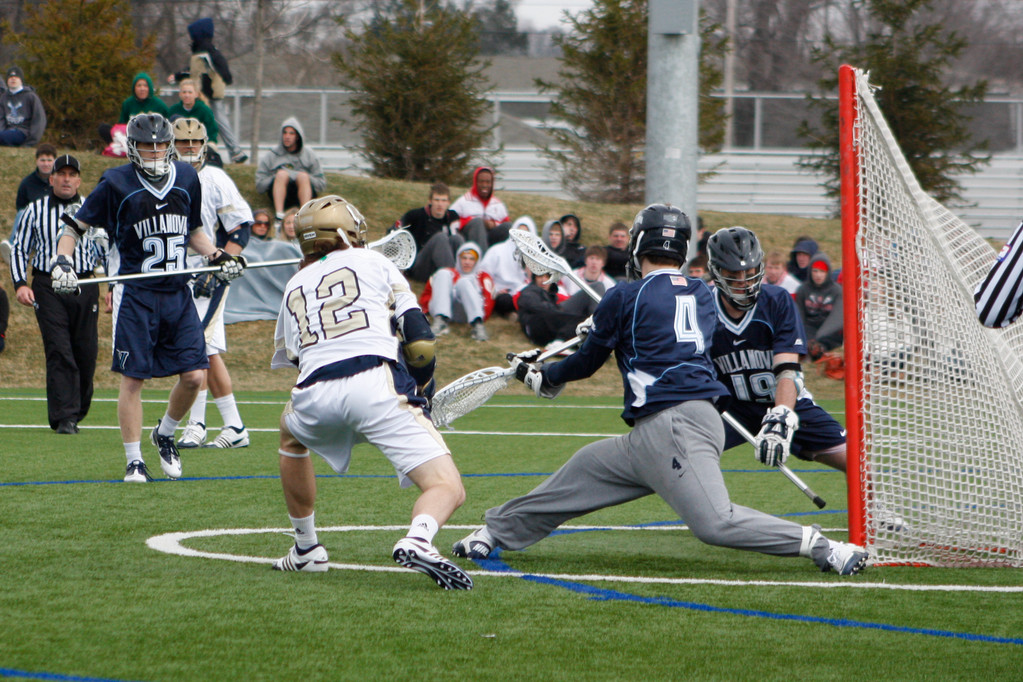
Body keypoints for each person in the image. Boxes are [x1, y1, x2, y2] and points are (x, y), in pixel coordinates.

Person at [452, 204, 869, 577]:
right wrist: (598, 329)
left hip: (674, 423)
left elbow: (587, 363)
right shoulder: (702, 295)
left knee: (715, 522)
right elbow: (664, 331)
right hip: (666, 427)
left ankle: (824, 548)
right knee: (584, 470)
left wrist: (546, 376)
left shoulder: (624, 296)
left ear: (638, 245)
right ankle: (493, 531)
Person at [269, 195, 472, 590]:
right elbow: (420, 341)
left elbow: (299, 358)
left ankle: (306, 548)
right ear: (348, 231)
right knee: (446, 486)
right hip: (374, 385)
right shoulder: (378, 263)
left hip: (312, 393)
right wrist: (421, 387)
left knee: (290, 436)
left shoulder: (293, 283)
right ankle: (419, 538)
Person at [51, 113, 246, 483]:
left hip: (177, 290)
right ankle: (134, 460)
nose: (155, 152)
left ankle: (165, 434)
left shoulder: (187, 177)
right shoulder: (115, 182)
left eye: (160, 145)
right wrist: (62, 260)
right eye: (146, 145)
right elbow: (75, 226)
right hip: (137, 293)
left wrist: (217, 256)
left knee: (193, 375)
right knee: (133, 379)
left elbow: (194, 231)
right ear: (133, 148)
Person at [705, 226, 848, 479]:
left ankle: (882, 513)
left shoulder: (776, 300)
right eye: (734, 275)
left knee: (856, 460)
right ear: (717, 273)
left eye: (749, 274)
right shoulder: (702, 305)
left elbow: (787, 369)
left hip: (781, 400)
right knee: (675, 455)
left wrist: (782, 416)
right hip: (728, 408)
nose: (745, 283)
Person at [170, 118, 254, 450]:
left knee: (196, 347)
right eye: (182, 142)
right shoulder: (167, 177)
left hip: (208, 272)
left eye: (194, 142)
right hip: (177, 273)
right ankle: (234, 426)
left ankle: (197, 424)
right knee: (209, 351)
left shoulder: (215, 178)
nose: (189, 148)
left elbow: (240, 229)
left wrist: (218, 266)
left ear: (205, 144)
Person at [9, 154, 101, 434]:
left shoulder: (92, 209)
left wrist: (115, 288)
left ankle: (77, 408)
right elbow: (18, 248)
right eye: (61, 174)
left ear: (79, 180)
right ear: (51, 179)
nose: (66, 179)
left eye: (72, 174)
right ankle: (64, 417)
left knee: (86, 352)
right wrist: (20, 283)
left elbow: (106, 248)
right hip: (48, 286)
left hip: (85, 284)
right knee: (59, 349)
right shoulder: (33, 210)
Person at [169, 18, 248, 164]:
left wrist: (225, 78)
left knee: (219, 122)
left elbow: (219, 67)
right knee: (211, 121)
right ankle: (220, 150)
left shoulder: (207, 51)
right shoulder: (202, 51)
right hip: (203, 93)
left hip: (210, 94)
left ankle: (235, 151)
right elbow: (194, 71)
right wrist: (179, 75)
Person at [255, 118, 326, 231]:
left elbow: (321, 184)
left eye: (291, 133)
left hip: (305, 192)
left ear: (298, 136)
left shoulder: (309, 155)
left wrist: (304, 176)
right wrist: (276, 175)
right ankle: (279, 216)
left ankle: (305, 217)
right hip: (279, 192)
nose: (287, 136)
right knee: (282, 174)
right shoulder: (272, 155)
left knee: (302, 176)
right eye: (285, 133)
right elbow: (259, 186)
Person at [420, 242, 494, 342]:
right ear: (458, 259)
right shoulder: (449, 272)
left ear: (477, 261)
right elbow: (427, 295)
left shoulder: (483, 277)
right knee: (443, 273)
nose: (467, 262)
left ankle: (477, 325)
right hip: (442, 308)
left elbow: (489, 300)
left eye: (471, 259)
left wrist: (481, 314)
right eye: (464, 258)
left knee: (464, 282)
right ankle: (440, 321)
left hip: (465, 312)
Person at [395, 181, 462, 283]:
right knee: (440, 237)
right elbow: (395, 234)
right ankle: (453, 280)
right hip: (420, 266)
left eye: (444, 201)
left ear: (449, 203)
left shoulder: (452, 216)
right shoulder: (415, 215)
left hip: (441, 264)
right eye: (437, 200)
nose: (440, 204)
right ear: (430, 201)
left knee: (457, 238)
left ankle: (465, 276)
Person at [516, 268, 599, 347]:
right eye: (540, 276)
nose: (544, 280)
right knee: (579, 322)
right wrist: (558, 310)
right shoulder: (530, 291)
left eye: (547, 277)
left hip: (553, 320)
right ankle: (561, 341)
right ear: (535, 278)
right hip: (538, 325)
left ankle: (594, 333)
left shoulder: (553, 295)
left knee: (583, 322)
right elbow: (536, 307)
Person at [479, 216, 534, 317]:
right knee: (504, 300)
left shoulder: (533, 255)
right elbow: (484, 274)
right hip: (500, 291)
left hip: (522, 291)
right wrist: (495, 290)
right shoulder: (497, 251)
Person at [795, 252, 843, 360]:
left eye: (822, 271)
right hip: (808, 329)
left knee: (828, 340)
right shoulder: (803, 290)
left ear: (828, 273)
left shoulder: (837, 291)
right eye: (815, 271)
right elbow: (800, 317)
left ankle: (818, 350)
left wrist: (819, 337)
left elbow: (837, 318)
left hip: (829, 332)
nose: (818, 275)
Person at [450, 166, 511, 250]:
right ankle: (483, 261)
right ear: (475, 182)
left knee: (508, 227)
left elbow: (506, 223)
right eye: (481, 182)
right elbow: (451, 222)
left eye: (488, 182)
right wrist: (476, 221)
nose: (484, 185)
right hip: (468, 239)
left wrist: (493, 224)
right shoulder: (464, 201)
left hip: (490, 239)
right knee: (478, 222)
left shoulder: (498, 204)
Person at [167, 79, 220, 163]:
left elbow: (212, 131)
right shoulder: (173, 110)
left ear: (196, 94)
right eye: (184, 92)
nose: (187, 95)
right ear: (180, 94)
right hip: (179, 145)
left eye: (190, 92)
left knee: (212, 147)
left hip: (200, 144)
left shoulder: (204, 110)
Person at [0, 66, 47, 147]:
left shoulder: (31, 96)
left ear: (21, 80)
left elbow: (39, 120)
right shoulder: (4, 97)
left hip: (23, 132)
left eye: (16, 77)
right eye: (10, 77)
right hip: (7, 132)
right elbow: (1, 118)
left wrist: (31, 140)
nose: (13, 79)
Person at [16, 143, 57, 211]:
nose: (46, 164)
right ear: (36, 161)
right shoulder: (26, 184)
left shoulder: (61, 182)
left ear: (55, 161)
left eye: (49, 160)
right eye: (42, 160)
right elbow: (21, 210)